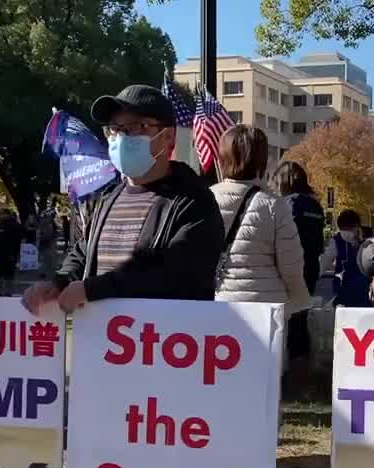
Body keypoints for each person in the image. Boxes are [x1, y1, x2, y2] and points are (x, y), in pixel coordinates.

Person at [21, 84, 224, 315]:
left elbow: (176, 274)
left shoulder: (194, 202)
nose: (121, 138)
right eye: (114, 130)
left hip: (165, 342)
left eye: (135, 128)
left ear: (168, 136)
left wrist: (92, 289)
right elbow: (83, 253)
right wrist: (58, 283)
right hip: (101, 340)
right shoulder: (108, 198)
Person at [211, 125, 311, 317]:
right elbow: (292, 265)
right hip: (266, 309)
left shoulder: (206, 200)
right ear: (261, 159)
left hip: (218, 304)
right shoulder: (274, 205)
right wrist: (299, 299)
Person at [273, 160, 324, 387]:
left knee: (280, 323)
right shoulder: (316, 207)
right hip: (310, 269)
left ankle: (281, 373)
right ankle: (301, 373)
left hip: (288, 269)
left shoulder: (286, 205)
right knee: (299, 321)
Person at [325, 210, 372, 308]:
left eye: (350, 229)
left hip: (363, 290)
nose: (348, 234)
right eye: (343, 230)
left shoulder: (368, 239)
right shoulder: (337, 241)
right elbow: (325, 261)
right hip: (344, 291)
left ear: (357, 227)